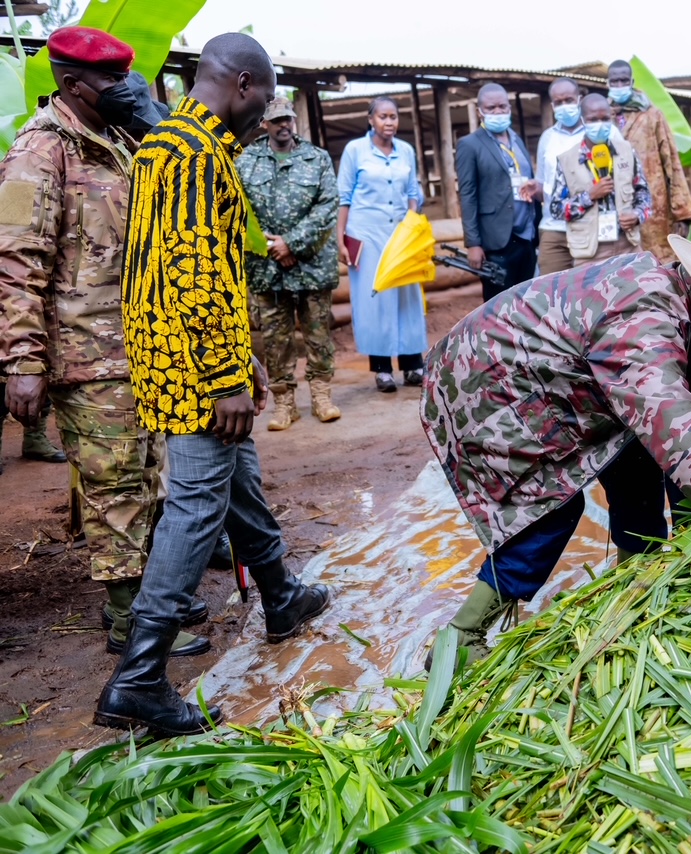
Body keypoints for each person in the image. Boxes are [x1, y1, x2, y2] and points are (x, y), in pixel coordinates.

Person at [97, 32, 330, 738]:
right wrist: (227, 375)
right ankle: (138, 679)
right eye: (263, 98)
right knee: (196, 508)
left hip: (172, 352)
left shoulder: (165, 145)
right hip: (195, 367)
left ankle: (281, 596)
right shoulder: (197, 155)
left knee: (238, 479)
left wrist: (242, 357)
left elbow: (181, 266)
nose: (264, 114)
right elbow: (197, 268)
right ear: (243, 84)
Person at [421, 236, 691, 663]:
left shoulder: (689, 311)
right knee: (549, 505)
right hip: (487, 383)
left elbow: (689, 422)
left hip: (556, 384)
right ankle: (459, 641)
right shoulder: (645, 314)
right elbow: (670, 413)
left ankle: (634, 589)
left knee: (637, 464)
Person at [0, 26, 209, 658]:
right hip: (86, 353)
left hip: (139, 343)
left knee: (145, 473)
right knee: (114, 485)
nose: (125, 88)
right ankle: (129, 623)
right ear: (70, 85)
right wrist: (22, 362)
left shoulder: (121, 137)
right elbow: (17, 262)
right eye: (110, 81)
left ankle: (149, 594)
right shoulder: (40, 153)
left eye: (128, 78)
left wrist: (149, 119)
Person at [238, 97, 341, 429]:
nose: (284, 125)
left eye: (288, 119)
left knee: (317, 334)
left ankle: (322, 396)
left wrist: (291, 243)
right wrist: (272, 245)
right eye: (277, 119)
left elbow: (327, 207)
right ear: (264, 123)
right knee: (276, 338)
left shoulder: (317, 158)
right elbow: (240, 208)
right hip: (267, 267)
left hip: (310, 263)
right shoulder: (247, 160)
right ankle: (284, 403)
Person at [337, 96, 427, 393]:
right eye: (382, 117)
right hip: (366, 234)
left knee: (407, 296)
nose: (389, 122)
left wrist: (412, 223)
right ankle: (382, 369)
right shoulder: (355, 150)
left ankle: (413, 365)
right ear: (370, 119)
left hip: (400, 233)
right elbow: (344, 197)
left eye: (393, 117)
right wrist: (341, 237)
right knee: (374, 299)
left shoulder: (406, 151)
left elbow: (413, 191)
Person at [607, 60, 691, 263]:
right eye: (615, 81)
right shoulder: (601, 117)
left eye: (624, 80)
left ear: (631, 81)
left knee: (658, 262)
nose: (619, 85)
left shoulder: (652, 115)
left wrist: (682, 212)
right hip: (613, 208)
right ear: (608, 83)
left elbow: (672, 161)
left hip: (654, 205)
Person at [456, 83, 539, 300]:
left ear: (509, 108)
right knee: (498, 307)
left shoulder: (517, 140)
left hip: (526, 236)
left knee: (526, 302)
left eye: (502, 107)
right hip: (496, 240)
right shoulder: (469, 145)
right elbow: (468, 196)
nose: (497, 112)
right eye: (491, 108)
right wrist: (473, 244)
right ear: (479, 111)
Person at [549, 94, 652, 266]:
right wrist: (588, 196)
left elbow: (644, 194)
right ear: (582, 120)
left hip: (628, 245)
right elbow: (556, 208)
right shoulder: (567, 160)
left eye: (604, 118)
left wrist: (637, 215)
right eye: (593, 119)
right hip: (590, 253)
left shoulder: (626, 150)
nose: (599, 124)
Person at [534, 78, 585, 275]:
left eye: (569, 100)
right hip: (553, 227)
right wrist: (534, 188)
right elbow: (542, 183)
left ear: (579, 99)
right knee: (551, 291)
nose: (564, 106)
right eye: (559, 102)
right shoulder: (547, 138)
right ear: (552, 105)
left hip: (589, 228)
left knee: (590, 290)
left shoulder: (597, 133)